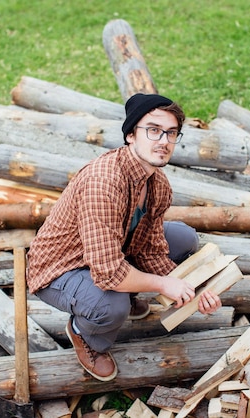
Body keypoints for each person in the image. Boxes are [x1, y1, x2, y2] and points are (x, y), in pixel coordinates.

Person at [26, 93, 223, 381]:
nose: (163, 141)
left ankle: (126, 292)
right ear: (131, 135)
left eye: (171, 133)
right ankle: (85, 334)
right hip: (61, 268)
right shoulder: (104, 183)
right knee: (110, 305)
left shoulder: (157, 183)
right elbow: (107, 273)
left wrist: (195, 289)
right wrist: (163, 283)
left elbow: (152, 250)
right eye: (153, 130)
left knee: (183, 239)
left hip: (108, 252)